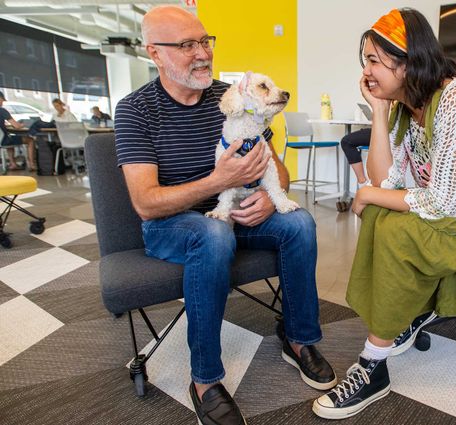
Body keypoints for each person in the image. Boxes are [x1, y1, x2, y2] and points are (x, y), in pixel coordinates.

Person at [312, 8, 456, 420]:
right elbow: (386, 183)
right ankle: (403, 314)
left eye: (375, 61)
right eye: (364, 60)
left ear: (409, 61)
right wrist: (379, 112)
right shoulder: (405, 108)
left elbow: (442, 202)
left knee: (400, 231)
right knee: (383, 214)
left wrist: (369, 194)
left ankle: (371, 367)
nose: (366, 72)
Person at [115, 6, 336, 425]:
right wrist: (219, 182)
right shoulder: (136, 110)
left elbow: (277, 171)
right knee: (211, 235)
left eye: (205, 41)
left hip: (235, 213)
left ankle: (299, 339)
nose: (202, 53)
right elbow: (145, 203)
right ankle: (205, 380)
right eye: (185, 45)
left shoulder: (233, 97)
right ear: (155, 54)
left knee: (300, 223)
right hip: (171, 227)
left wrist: (273, 197)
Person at [0, 91, 35, 171]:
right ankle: (31, 164)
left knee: (10, 139)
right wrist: (22, 125)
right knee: (30, 140)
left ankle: (13, 164)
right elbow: (16, 126)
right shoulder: (2, 111)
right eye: (2, 100)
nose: (2, 103)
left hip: (3, 139)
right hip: (3, 140)